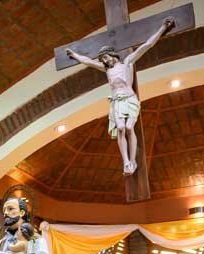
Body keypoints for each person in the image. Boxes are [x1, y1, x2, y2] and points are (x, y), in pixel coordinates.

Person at [66, 18, 174, 175]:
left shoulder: (127, 63)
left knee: (129, 127)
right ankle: (126, 163)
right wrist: (75, 55)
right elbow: (88, 62)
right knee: (121, 128)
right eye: (102, 59)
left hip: (130, 100)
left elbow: (146, 46)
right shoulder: (107, 70)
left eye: (105, 57)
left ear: (111, 54)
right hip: (116, 102)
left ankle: (134, 161)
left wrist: (163, 27)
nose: (104, 61)